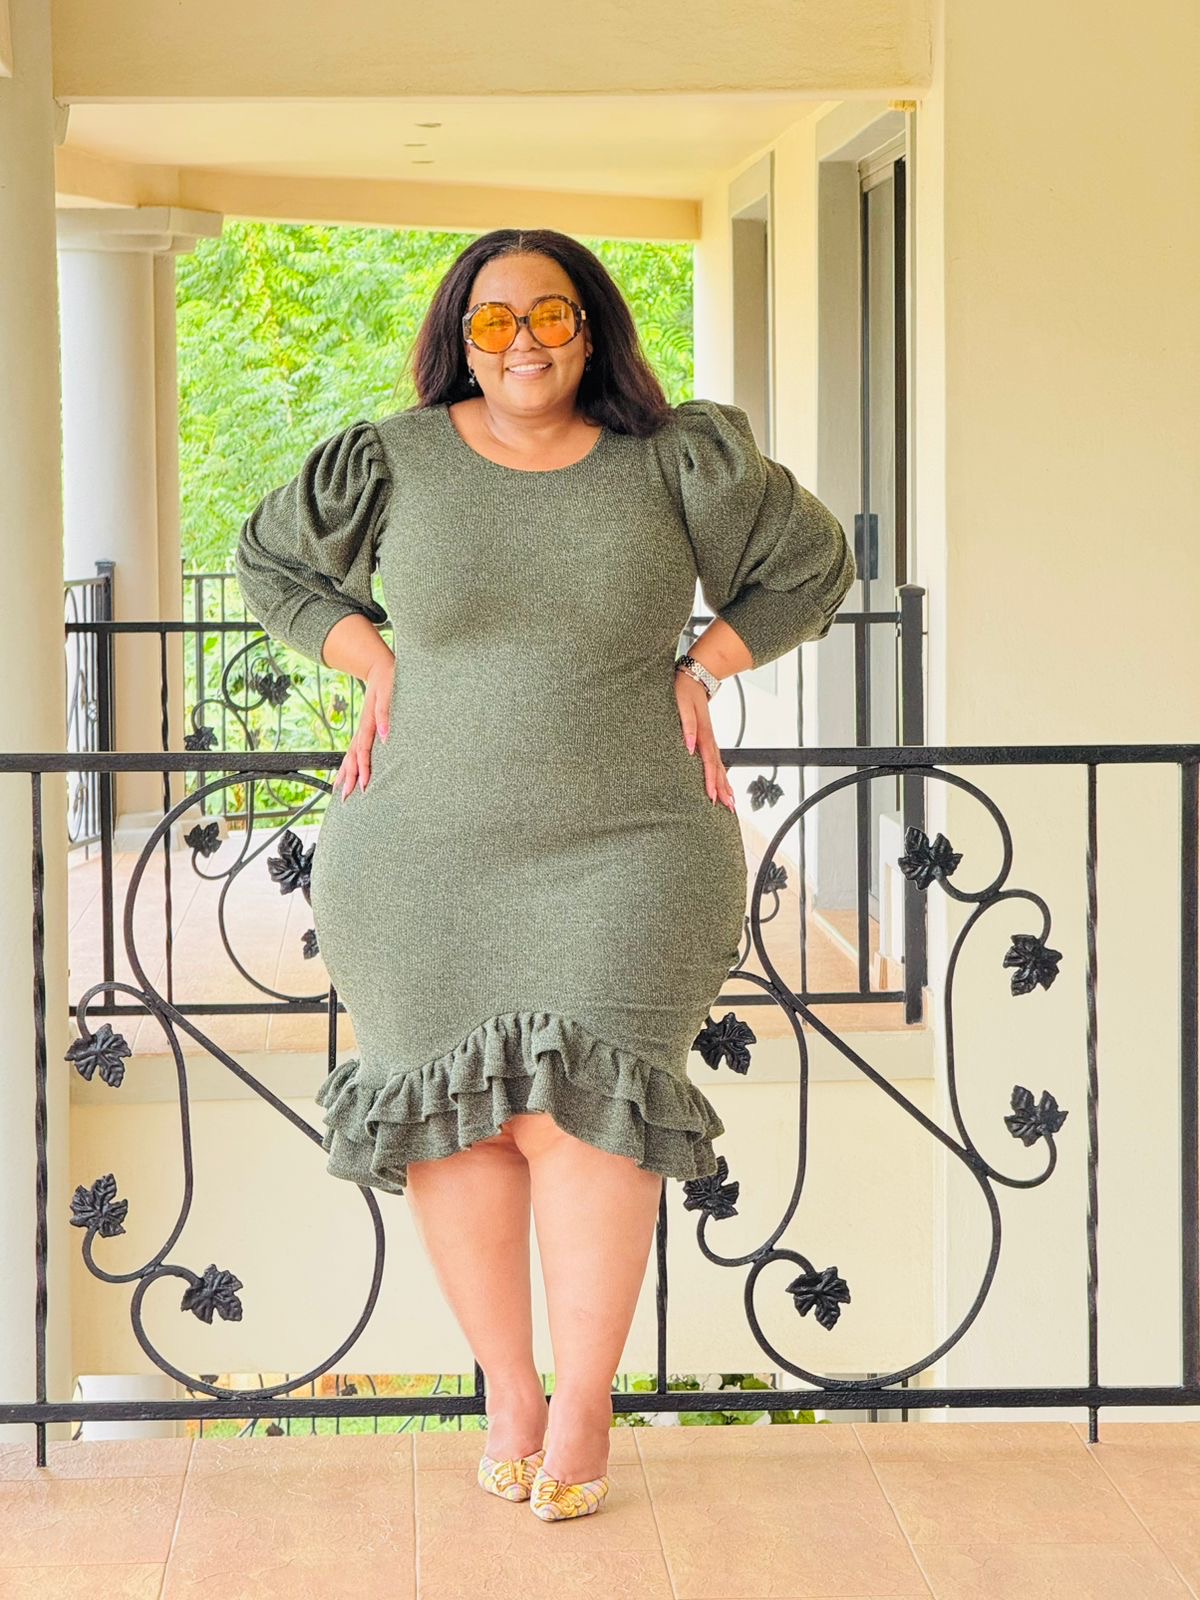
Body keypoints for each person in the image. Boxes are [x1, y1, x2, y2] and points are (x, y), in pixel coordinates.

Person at [234, 226, 856, 1522]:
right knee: (458, 1122)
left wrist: (708, 666)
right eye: (494, 319)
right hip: (420, 851)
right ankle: (510, 1393)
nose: (523, 340)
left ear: (592, 328)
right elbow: (271, 562)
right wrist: (369, 654)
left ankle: (584, 1403)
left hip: (633, 843)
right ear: (462, 339)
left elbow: (811, 563)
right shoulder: (392, 460)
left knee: (592, 1111)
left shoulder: (673, 460)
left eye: (551, 314)